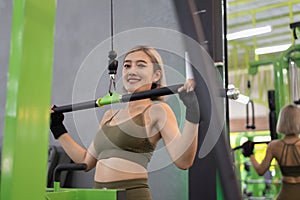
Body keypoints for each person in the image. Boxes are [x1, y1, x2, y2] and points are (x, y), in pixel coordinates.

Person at [50, 45, 200, 200]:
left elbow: (183, 161)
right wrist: (57, 127)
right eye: (127, 65)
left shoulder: (158, 111)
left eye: (141, 65)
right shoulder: (110, 115)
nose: (132, 71)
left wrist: (192, 112)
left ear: (156, 75)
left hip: (131, 194)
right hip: (98, 195)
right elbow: (85, 162)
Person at [242, 104, 300, 200]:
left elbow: (260, 171)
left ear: (281, 121)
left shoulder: (274, 146)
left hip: (285, 194)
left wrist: (250, 154)